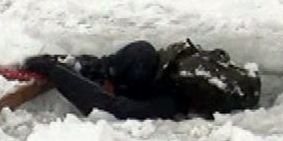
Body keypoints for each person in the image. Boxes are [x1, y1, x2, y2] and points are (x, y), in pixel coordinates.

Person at [22, 40, 260, 120]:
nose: (109, 87)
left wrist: (56, 72)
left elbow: (110, 108)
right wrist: (57, 61)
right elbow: (103, 65)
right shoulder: (157, 63)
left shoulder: (168, 99)